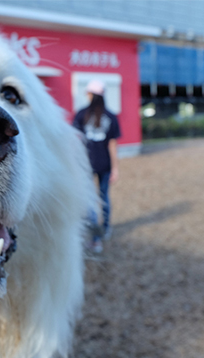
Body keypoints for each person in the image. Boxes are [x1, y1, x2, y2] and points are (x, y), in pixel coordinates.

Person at [72, 80, 121, 252]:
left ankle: (95, 238)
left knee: (90, 202)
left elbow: (76, 142)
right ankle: (106, 228)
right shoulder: (112, 116)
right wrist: (115, 168)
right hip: (105, 164)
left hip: (86, 165)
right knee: (104, 196)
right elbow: (112, 145)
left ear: (91, 95)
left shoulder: (81, 115)